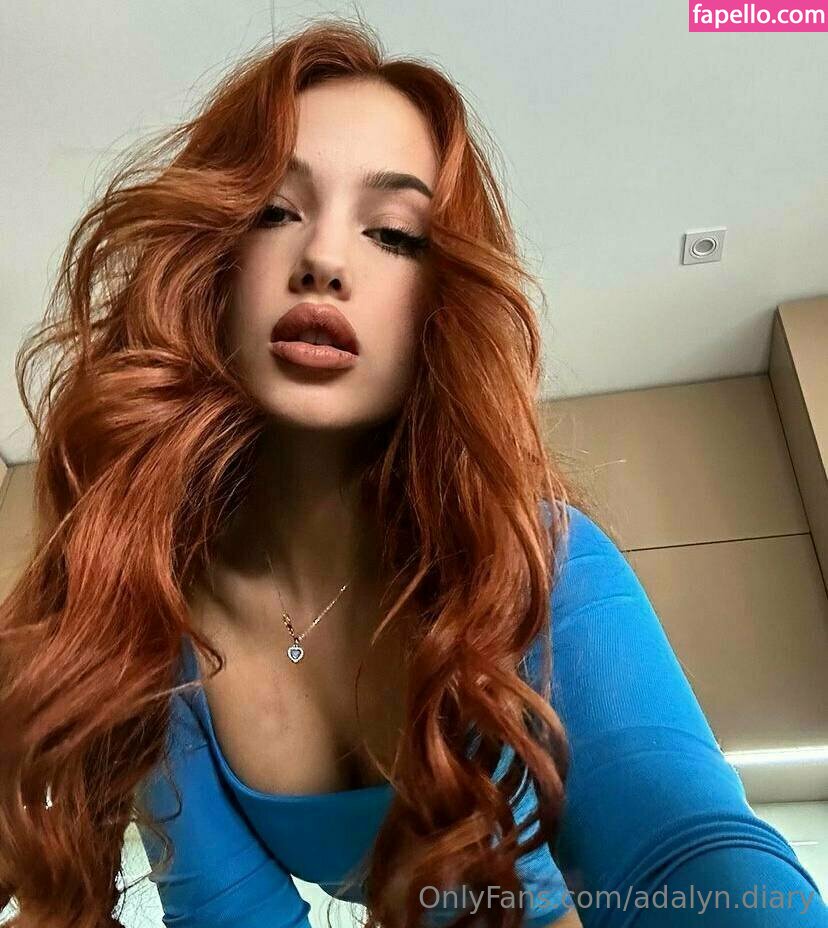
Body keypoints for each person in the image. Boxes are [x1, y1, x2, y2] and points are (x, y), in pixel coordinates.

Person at [1, 16, 825, 928]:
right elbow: (231, 916)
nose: (323, 259)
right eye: (275, 211)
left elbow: (687, 845)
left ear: (441, 299)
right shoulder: (159, 626)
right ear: (215, 268)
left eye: (393, 233)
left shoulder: (537, 562)